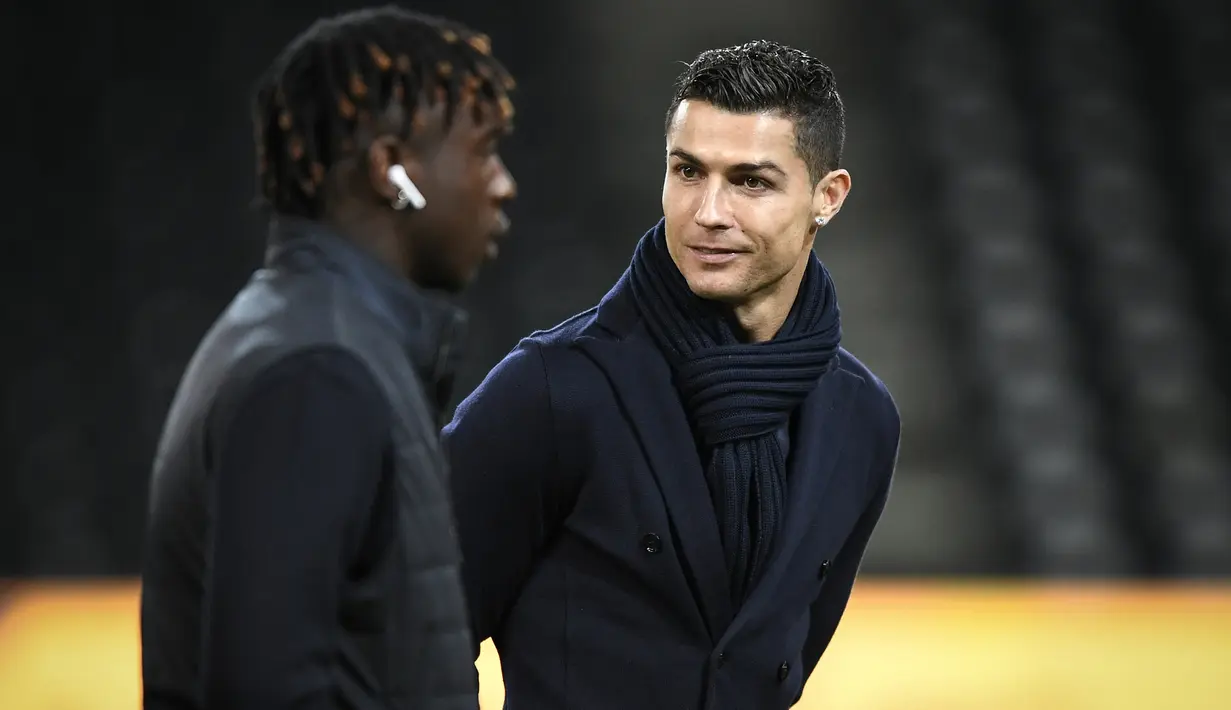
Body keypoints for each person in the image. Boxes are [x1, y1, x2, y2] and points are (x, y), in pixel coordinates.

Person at [443, 40, 899, 709]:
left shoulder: (861, 419)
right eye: (688, 172)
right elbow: (412, 628)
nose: (708, 212)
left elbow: (775, 664)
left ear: (826, 197)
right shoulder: (550, 387)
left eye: (750, 181)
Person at [139, 7, 517, 710]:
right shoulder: (317, 370)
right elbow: (263, 692)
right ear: (392, 170)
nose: (502, 184)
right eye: (484, 150)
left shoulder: (309, 337)